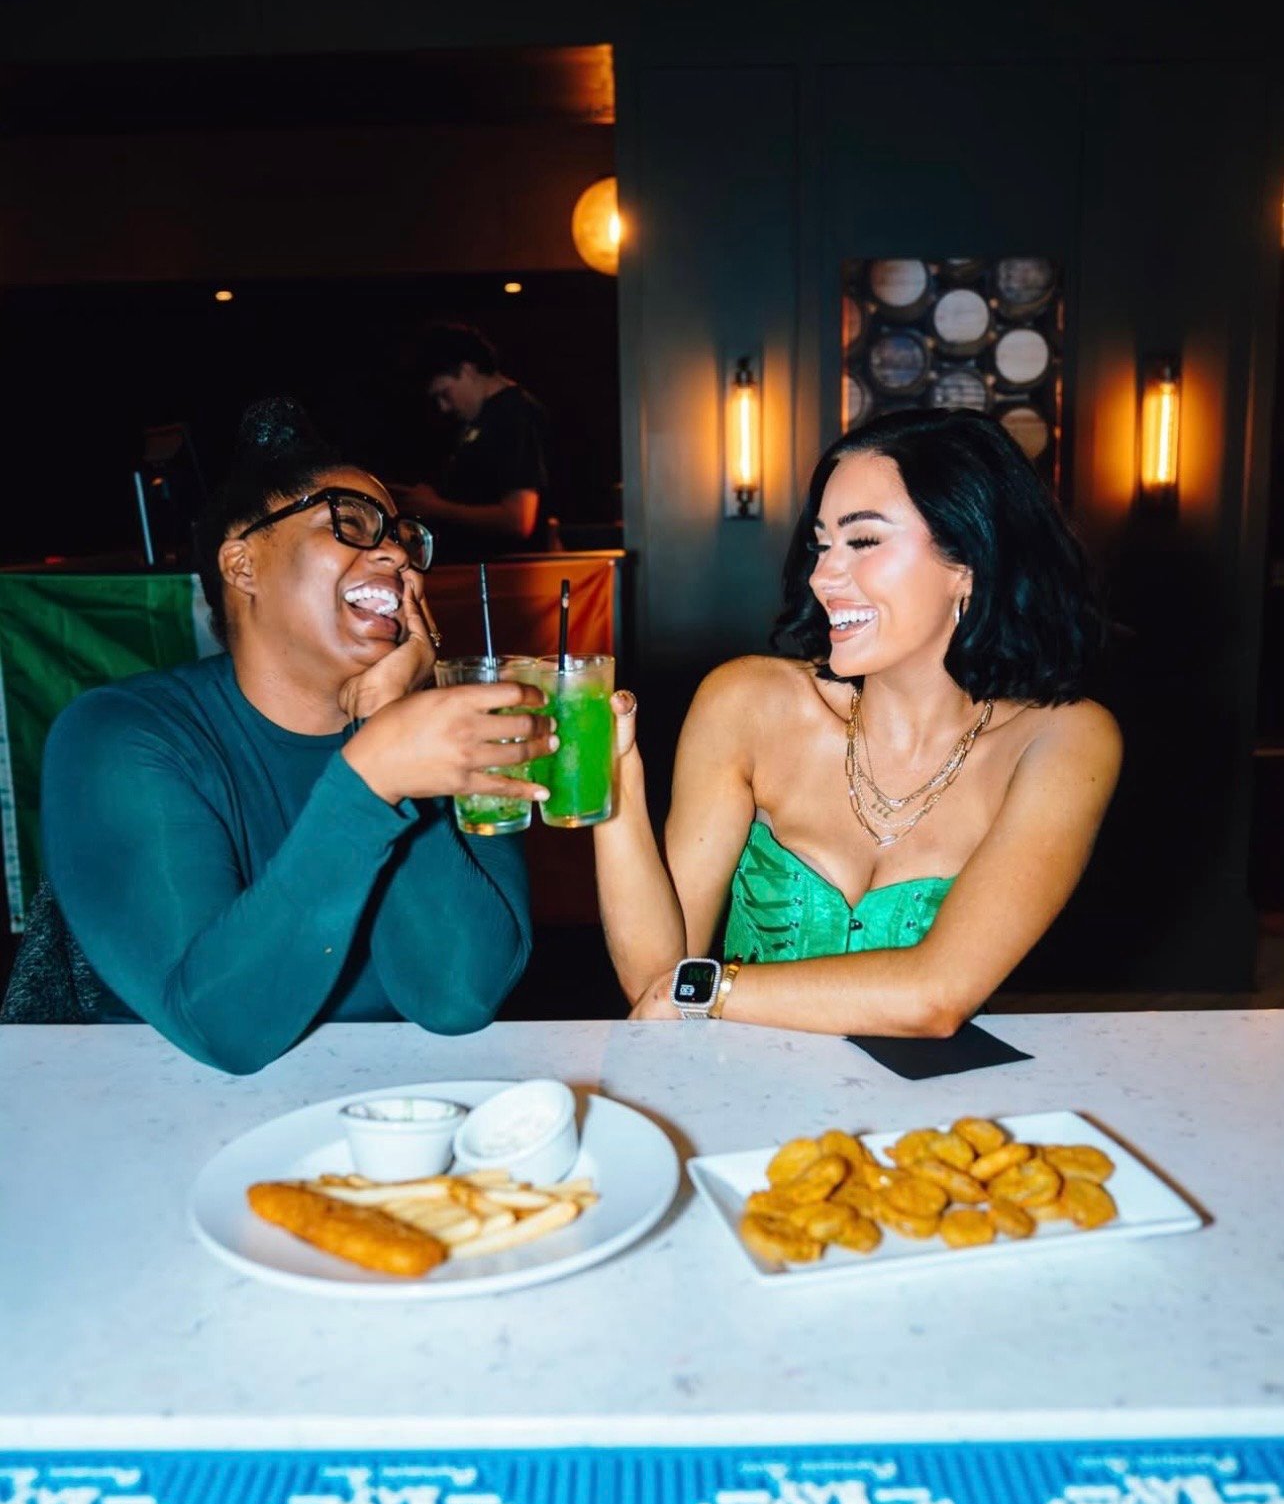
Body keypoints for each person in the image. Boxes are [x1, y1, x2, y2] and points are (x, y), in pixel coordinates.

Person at [36, 397, 555, 1073]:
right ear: (243, 565)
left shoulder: (446, 733)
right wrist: (370, 781)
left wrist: (384, 722)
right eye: (354, 522)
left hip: (388, 1135)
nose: (397, 553)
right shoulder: (120, 736)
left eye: (402, 535)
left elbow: (454, 997)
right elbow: (224, 1027)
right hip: (161, 1131)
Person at [595, 407, 1122, 1033]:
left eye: (863, 541)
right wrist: (616, 779)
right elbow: (652, 974)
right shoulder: (746, 703)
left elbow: (939, 993)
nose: (823, 575)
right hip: (741, 1095)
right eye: (821, 543)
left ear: (968, 563)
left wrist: (707, 991)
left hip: (928, 1112)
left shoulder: (1065, 740)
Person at [392, 323, 553, 557]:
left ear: (467, 370)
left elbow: (518, 519)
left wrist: (437, 507)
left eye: (445, 394)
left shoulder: (514, 414)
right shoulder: (485, 417)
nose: (443, 407)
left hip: (507, 575)